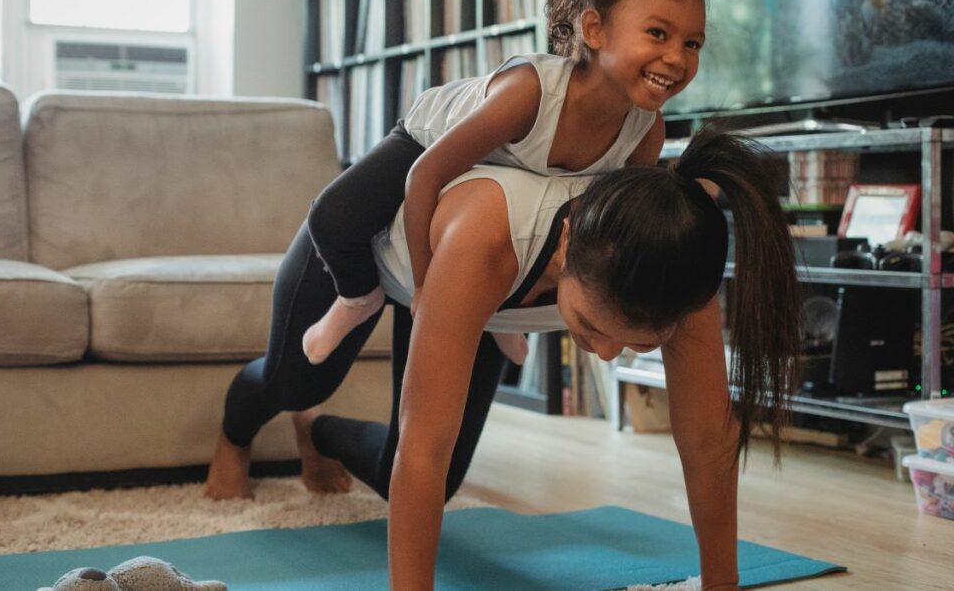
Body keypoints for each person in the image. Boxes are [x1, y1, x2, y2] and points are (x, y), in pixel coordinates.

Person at [205, 127, 801, 591]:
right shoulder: (491, 240)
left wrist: (721, 582)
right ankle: (236, 435)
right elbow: (423, 445)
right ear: (566, 246)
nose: (611, 351)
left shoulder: (675, 264)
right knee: (296, 381)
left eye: (638, 344)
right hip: (361, 257)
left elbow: (706, 440)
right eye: (593, 326)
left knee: (427, 485)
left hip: (465, 299)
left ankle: (318, 434)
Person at [300, 0, 708, 366]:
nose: (677, 57)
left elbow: (611, 226)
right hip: (424, 140)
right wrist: (423, 288)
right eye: (658, 33)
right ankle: (357, 300)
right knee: (330, 217)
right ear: (594, 30)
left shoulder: (645, 130)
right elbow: (424, 176)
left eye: (693, 44)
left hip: (509, 183)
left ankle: (498, 324)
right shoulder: (530, 94)